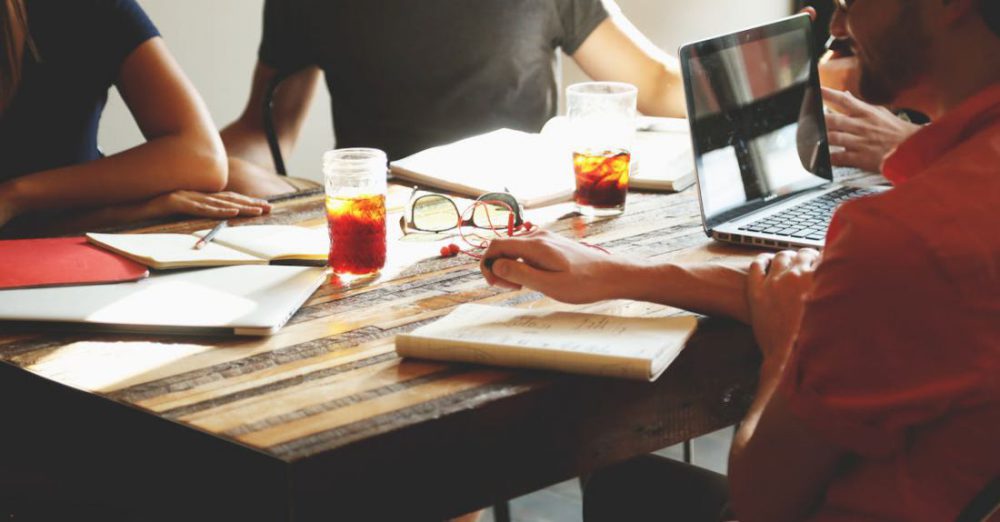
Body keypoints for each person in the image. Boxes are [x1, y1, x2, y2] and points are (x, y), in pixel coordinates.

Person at [479, 0, 1000, 519]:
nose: (839, 25)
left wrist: (783, 355)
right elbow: (827, 294)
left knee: (631, 487)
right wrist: (618, 274)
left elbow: (759, 504)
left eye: (853, 2)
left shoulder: (904, 238)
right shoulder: (940, 222)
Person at [221, 0, 687, 197]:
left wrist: (752, 94)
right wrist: (208, 167)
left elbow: (655, 84)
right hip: (390, 230)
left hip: (523, 222)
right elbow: (267, 129)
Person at [0, 0, 270, 237]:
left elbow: (202, 156)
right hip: (55, 241)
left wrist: (16, 195)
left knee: (244, 181)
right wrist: (129, 213)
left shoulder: (86, 7)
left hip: (72, 242)